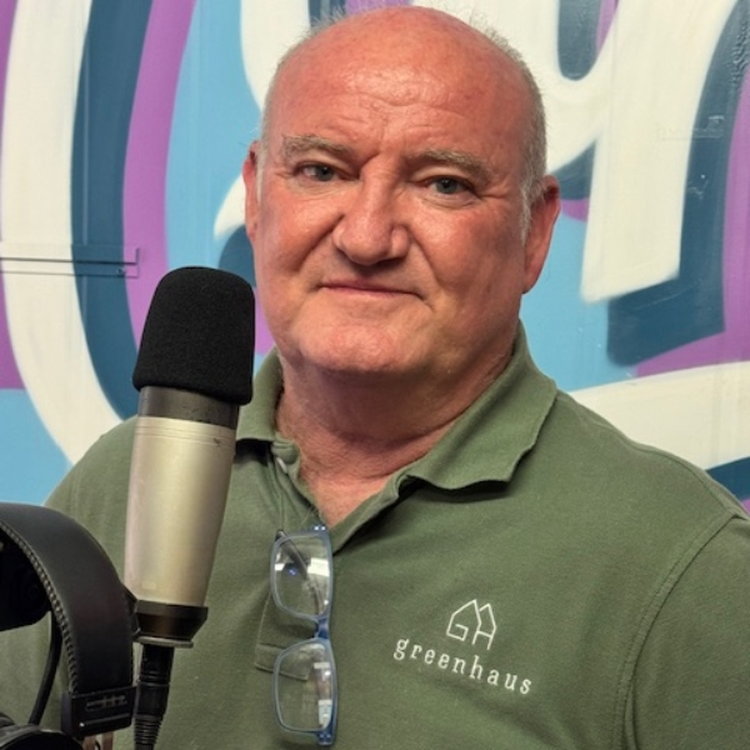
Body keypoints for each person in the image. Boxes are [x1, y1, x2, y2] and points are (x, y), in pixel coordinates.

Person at [3, 6, 750, 749]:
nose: (366, 237)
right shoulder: (119, 484)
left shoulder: (684, 567)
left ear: (535, 230)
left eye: (444, 184)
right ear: (257, 195)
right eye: (321, 171)